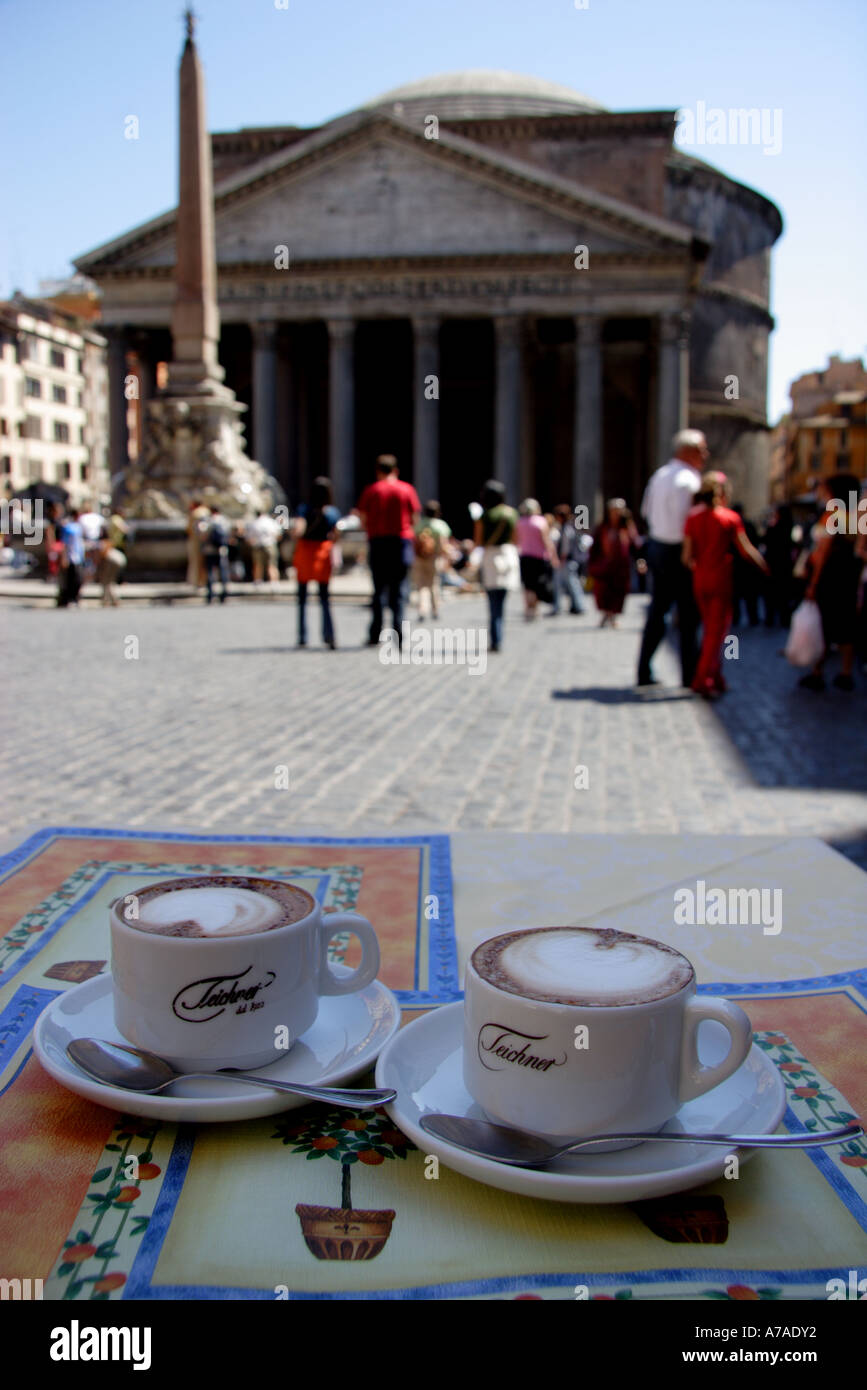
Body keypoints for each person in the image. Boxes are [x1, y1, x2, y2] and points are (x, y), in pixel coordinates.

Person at [682, 472, 768, 698]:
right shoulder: (729, 518)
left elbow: (686, 557)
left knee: (712, 631)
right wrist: (765, 567)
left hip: (700, 578)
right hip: (720, 578)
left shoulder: (693, 518)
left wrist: (700, 566)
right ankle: (703, 679)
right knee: (716, 633)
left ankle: (716, 677)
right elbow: (746, 549)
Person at [636, 428, 707, 687]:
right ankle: (690, 674)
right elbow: (690, 524)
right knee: (688, 615)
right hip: (680, 551)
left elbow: (645, 511)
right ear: (687, 451)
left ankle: (643, 670)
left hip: (656, 546)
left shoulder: (659, 476)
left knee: (658, 610)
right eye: (701, 450)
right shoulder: (689, 480)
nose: (705, 455)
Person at [798, 473, 863, 692]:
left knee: (823, 623)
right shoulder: (854, 516)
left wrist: (813, 583)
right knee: (846, 623)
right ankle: (845, 673)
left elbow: (823, 551)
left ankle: (818, 671)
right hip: (849, 576)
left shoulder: (833, 514)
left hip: (830, 576)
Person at [354, 455, 421, 647]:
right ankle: (399, 634)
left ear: (378, 471)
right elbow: (415, 518)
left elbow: (363, 520)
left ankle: (375, 634)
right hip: (401, 543)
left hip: (378, 543)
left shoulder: (372, 490)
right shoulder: (406, 489)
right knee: (399, 590)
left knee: (378, 591)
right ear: (396, 471)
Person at [292, 477, 340, 648]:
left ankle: (302, 636)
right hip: (322, 554)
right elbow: (336, 535)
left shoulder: (304, 509)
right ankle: (329, 635)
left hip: (305, 554)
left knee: (302, 599)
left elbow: (298, 530)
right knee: (325, 598)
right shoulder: (332, 512)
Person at [474, 480, 519, 652]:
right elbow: (516, 539)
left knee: (492, 602)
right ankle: (499, 635)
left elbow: (479, 541)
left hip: (490, 557)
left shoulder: (484, 516)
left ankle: (495, 638)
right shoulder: (511, 514)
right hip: (507, 556)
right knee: (502, 600)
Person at [588, 498, 639, 627]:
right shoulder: (603, 528)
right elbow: (595, 547)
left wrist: (640, 560)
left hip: (621, 567)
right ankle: (606, 614)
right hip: (605, 566)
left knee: (619, 592)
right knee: (603, 592)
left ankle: (613, 616)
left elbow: (635, 545)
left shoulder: (626, 527)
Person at [516, 498, 558, 620]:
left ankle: (528, 608)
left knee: (527, 584)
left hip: (525, 556)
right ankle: (534, 608)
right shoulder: (540, 521)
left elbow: (516, 540)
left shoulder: (519, 522)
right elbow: (546, 541)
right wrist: (553, 556)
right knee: (537, 583)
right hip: (539, 557)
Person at [412, 500, 452, 620]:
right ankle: (435, 610)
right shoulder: (440, 525)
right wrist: (447, 558)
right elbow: (443, 544)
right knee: (434, 584)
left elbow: (413, 540)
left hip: (419, 558)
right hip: (434, 558)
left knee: (421, 585)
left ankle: (422, 609)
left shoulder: (419, 525)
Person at [549, 503, 585, 615]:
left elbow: (565, 547)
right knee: (571, 585)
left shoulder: (566, 529)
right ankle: (574, 606)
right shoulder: (567, 527)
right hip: (568, 561)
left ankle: (576, 606)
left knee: (568, 585)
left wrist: (560, 560)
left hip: (566, 561)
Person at [762, 504, 795, 629]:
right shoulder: (790, 527)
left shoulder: (774, 528)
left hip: (774, 564)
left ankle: (770, 618)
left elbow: (766, 541)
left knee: (771, 594)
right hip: (785, 565)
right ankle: (784, 618)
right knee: (783, 594)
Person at [56, 507, 85, 608]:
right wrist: (64, 558)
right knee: (70, 580)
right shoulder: (68, 527)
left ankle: (75, 598)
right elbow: (64, 543)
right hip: (70, 557)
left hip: (78, 557)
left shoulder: (79, 527)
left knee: (78, 579)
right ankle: (68, 599)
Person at [202, 506, 230, 604]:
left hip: (209, 550)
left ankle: (210, 594)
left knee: (210, 572)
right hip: (222, 550)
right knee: (223, 572)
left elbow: (202, 535)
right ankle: (224, 593)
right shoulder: (224, 521)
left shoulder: (208, 521)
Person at [246, 510, 281, 584]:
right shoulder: (271, 522)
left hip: (258, 546)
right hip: (270, 545)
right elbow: (278, 535)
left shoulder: (254, 523)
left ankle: (258, 581)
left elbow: (249, 539)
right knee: (272, 565)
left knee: (258, 565)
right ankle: (274, 582)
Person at [187, 498, 210, 587]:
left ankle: (197, 582)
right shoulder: (207, 512)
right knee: (205, 563)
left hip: (196, 541)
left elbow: (189, 529)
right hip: (207, 541)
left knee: (196, 562)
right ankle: (205, 581)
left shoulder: (195, 513)